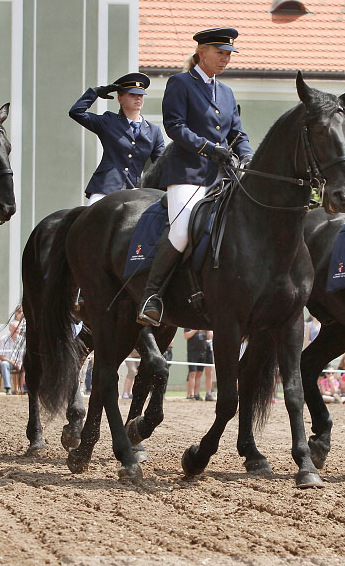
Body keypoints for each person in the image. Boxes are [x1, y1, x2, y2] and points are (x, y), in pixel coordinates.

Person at [137, 28, 253, 326]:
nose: (226, 59)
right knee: (181, 231)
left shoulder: (226, 92)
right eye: (220, 53)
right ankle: (153, 296)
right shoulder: (181, 83)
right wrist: (209, 148)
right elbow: (175, 126)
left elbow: (237, 132)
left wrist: (248, 154)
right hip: (188, 174)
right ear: (202, 53)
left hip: (222, 177)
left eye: (228, 54)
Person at [69, 72, 165, 205]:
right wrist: (96, 92)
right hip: (105, 187)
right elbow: (76, 112)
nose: (138, 98)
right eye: (132, 94)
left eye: (141, 95)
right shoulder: (109, 121)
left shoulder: (154, 131)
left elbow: (160, 165)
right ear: (120, 99)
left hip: (135, 190)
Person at [184, 329, 212, 400]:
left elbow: (208, 337)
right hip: (192, 351)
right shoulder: (189, 325)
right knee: (192, 373)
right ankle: (191, 394)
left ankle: (196, 394)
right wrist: (195, 330)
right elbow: (186, 336)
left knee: (199, 373)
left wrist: (208, 329)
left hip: (203, 351)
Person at [0, 320, 23, 395]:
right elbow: (1, 356)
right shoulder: (4, 339)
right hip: (8, 362)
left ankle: (22, 389)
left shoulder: (22, 340)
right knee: (4, 364)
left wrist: (20, 363)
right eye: (14, 328)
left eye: (17, 328)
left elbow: (24, 355)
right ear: (10, 329)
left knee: (26, 366)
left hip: (19, 362)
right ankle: (8, 388)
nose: (16, 330)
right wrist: (12, 362)